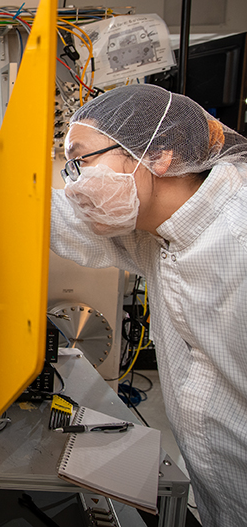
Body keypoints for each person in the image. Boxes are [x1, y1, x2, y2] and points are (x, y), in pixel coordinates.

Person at [50, 83, 247, 526]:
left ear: (160, 154)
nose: (76, 185)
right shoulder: (156, 229)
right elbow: (59, 217)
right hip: (221, 499)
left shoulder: (239, 240)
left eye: (82, 162)